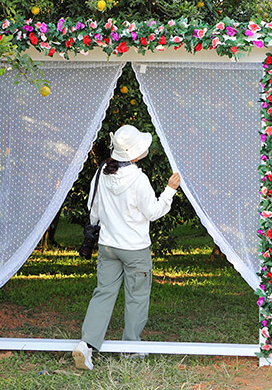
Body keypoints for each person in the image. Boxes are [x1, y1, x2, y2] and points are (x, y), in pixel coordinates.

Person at [72, 124, 181, 370]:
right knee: (137, 298)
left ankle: (86, 345)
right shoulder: (138, 179)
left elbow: (94, 211)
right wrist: (170, 191)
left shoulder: (102, 172)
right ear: (134, 153)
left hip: (108, 246)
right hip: (135, 249)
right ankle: (131, 350)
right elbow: (153, 212)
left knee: (103, 293)